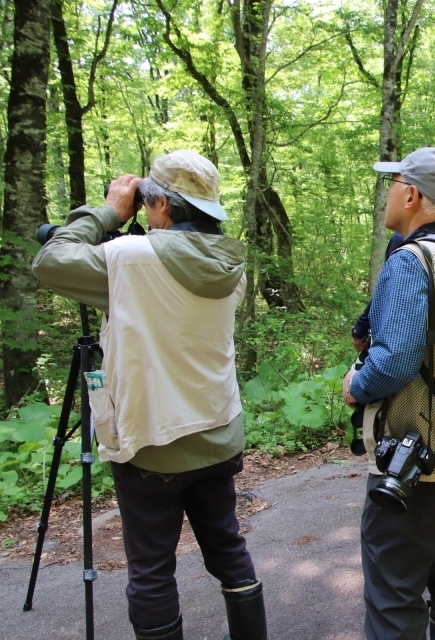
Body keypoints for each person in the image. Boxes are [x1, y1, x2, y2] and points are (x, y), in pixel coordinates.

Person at [32, 151, 265, 640]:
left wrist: (111, 212)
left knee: (152, 568)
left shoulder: (128, 260)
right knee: (227, 547)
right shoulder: (231, 265)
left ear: (160, 205)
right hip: (219, 431)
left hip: (152, 443)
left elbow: (50, 261)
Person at [342, 147, 435, 640]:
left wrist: (354, 386)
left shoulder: (413, 261)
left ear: (411, 194)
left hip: (416, 463)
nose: (388, 193)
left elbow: (397, 361)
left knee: (393, 595)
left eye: (393, 183)